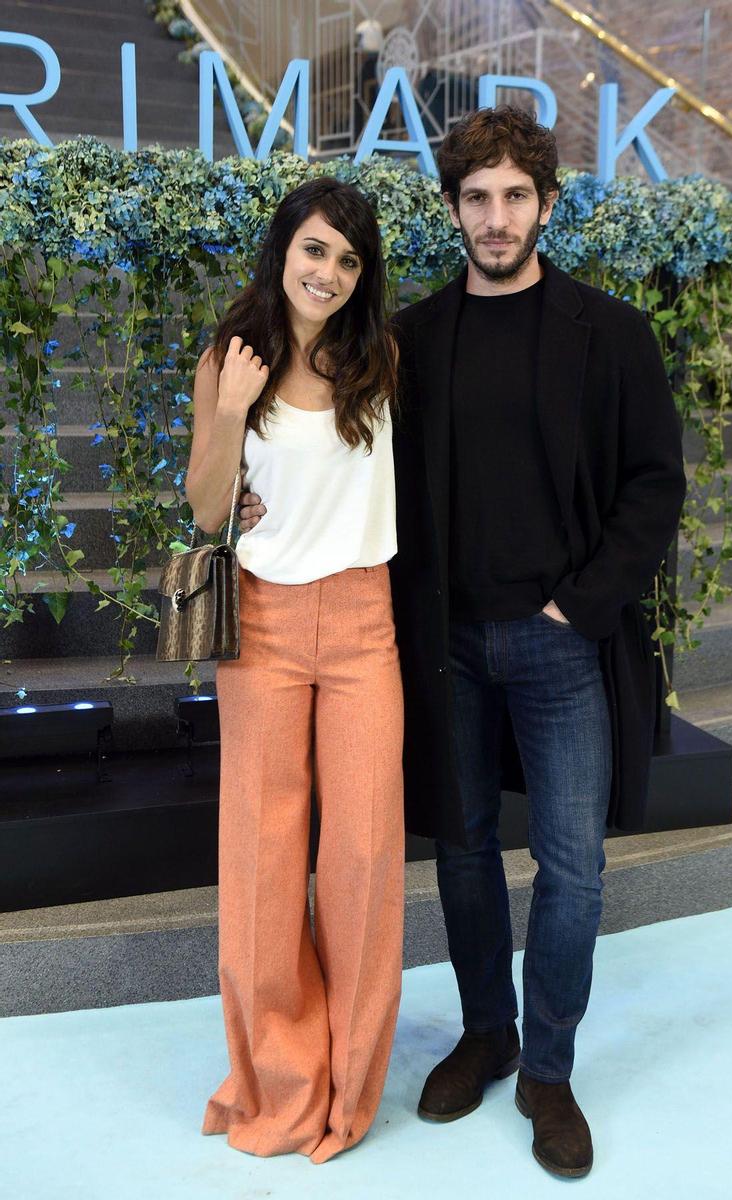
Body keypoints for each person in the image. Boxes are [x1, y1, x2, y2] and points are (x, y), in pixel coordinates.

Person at [240, 106, 687, 1178]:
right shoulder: (411, 342)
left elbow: (652, 487)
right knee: (465, 851)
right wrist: (254, 501)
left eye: (513, 198)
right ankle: (483, 1032)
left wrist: (575, 608)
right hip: (440, 643)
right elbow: (331, 447)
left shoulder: (609, 334)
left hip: (559, 641)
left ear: (542, 205)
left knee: (571, 870)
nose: (495, 218)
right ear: (451, 210)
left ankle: (546, 1068)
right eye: (476, 199)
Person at [185, 177, 404, 1165]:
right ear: (283, 249)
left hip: (363, 624)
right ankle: (278, 1081)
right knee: (265, 864)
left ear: (362, 279)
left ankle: (349, 1091)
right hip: (264, 628)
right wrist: (232, 409)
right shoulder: (232, 357)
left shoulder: (382, 360)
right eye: (315, 250)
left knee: (361, 860)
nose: (327, 272)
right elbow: (203, 510)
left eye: (347, 260)